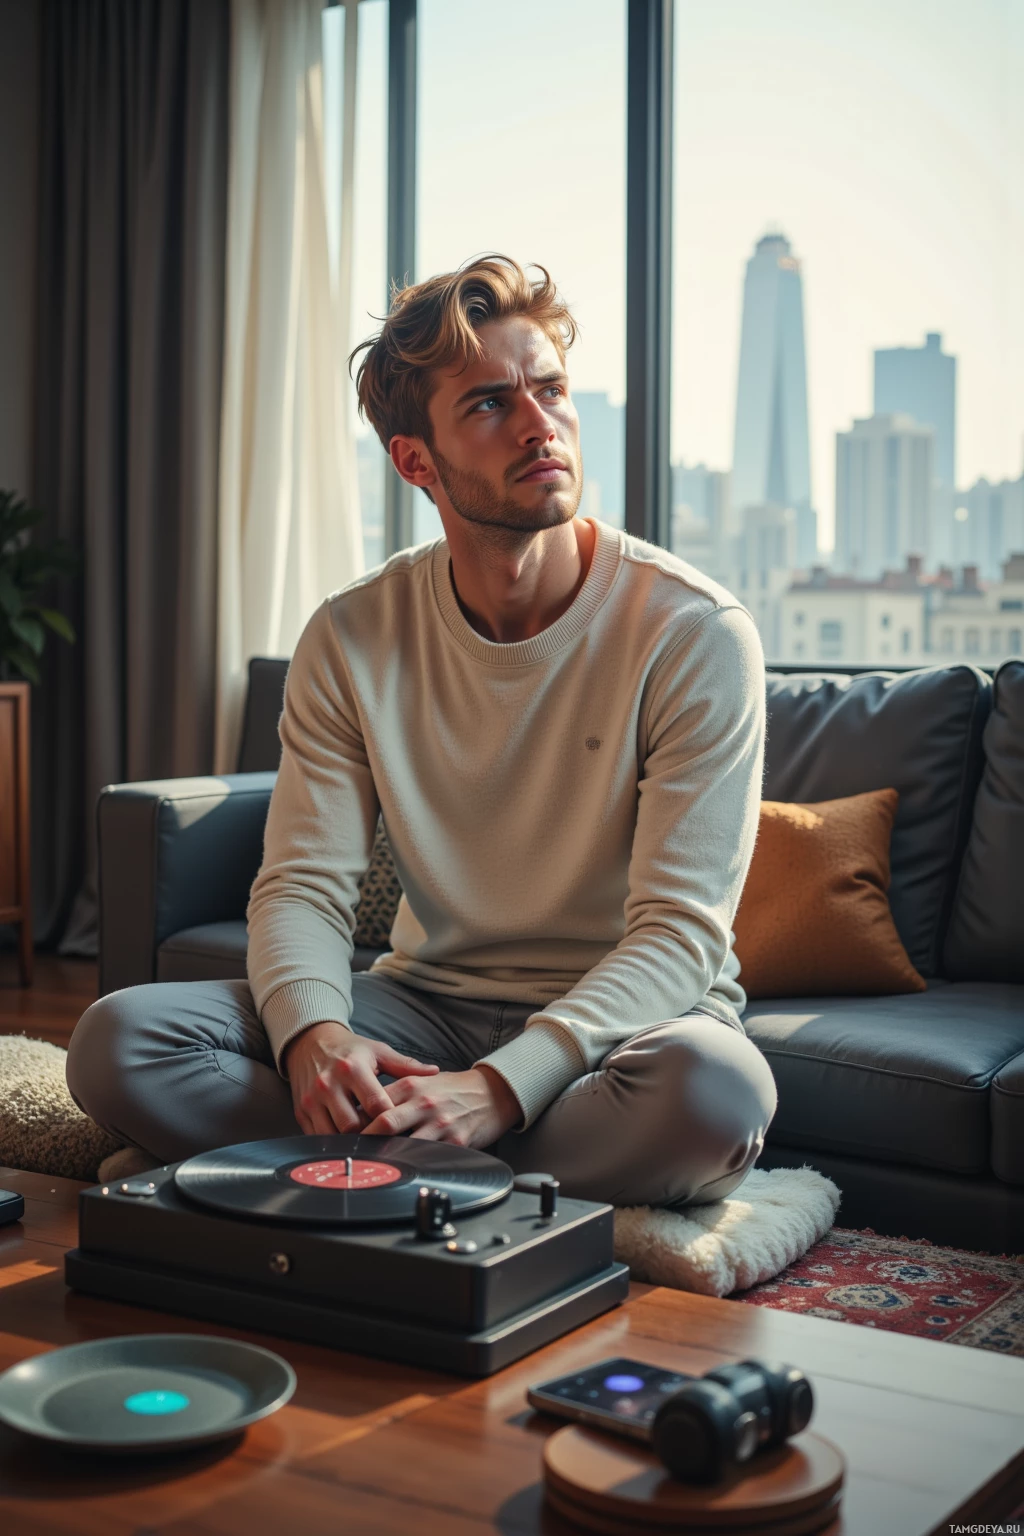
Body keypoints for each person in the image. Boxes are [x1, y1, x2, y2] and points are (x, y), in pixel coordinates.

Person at [67, 253, 776, 1208]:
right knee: (120, 1042)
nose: (540, 425)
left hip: (622, 1034)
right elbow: (303, 886)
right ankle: (467, 1181)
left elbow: (681, 937)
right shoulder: (353, 632)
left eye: (553, 391)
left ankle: (355, 1173)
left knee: (716, 1095)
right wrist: (315, 1036)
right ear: (415, 460)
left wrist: (499, 1089)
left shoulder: (696, 632)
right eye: (490, 404)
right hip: (421, 1007)